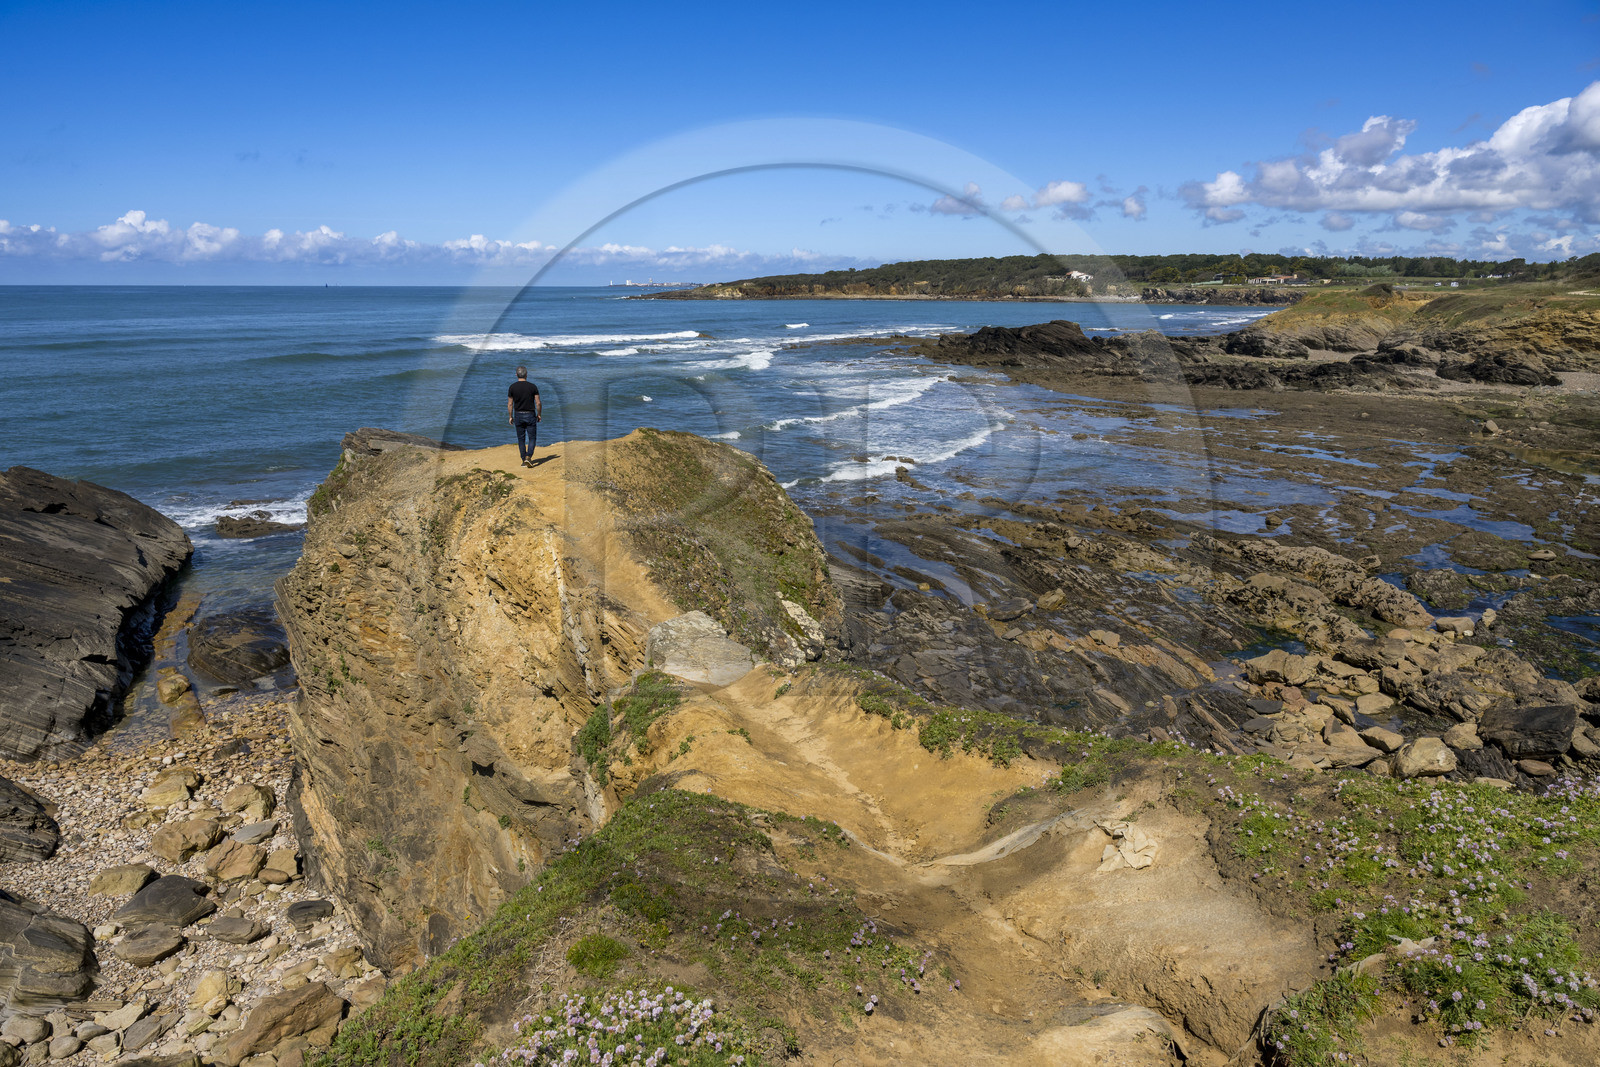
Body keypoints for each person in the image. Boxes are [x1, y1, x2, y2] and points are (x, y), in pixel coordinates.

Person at [507, 367, 542, 467]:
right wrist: (539, 414)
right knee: (532, 438)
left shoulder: (512, 387)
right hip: (530, 414)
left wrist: (510, 416)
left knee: (521, 439)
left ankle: (523, 460)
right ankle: (528, 457)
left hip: (518, 414)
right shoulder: (533, 387)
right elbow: (538, 402)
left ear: (516, 375)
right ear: (526, 374)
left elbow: (510, 404)